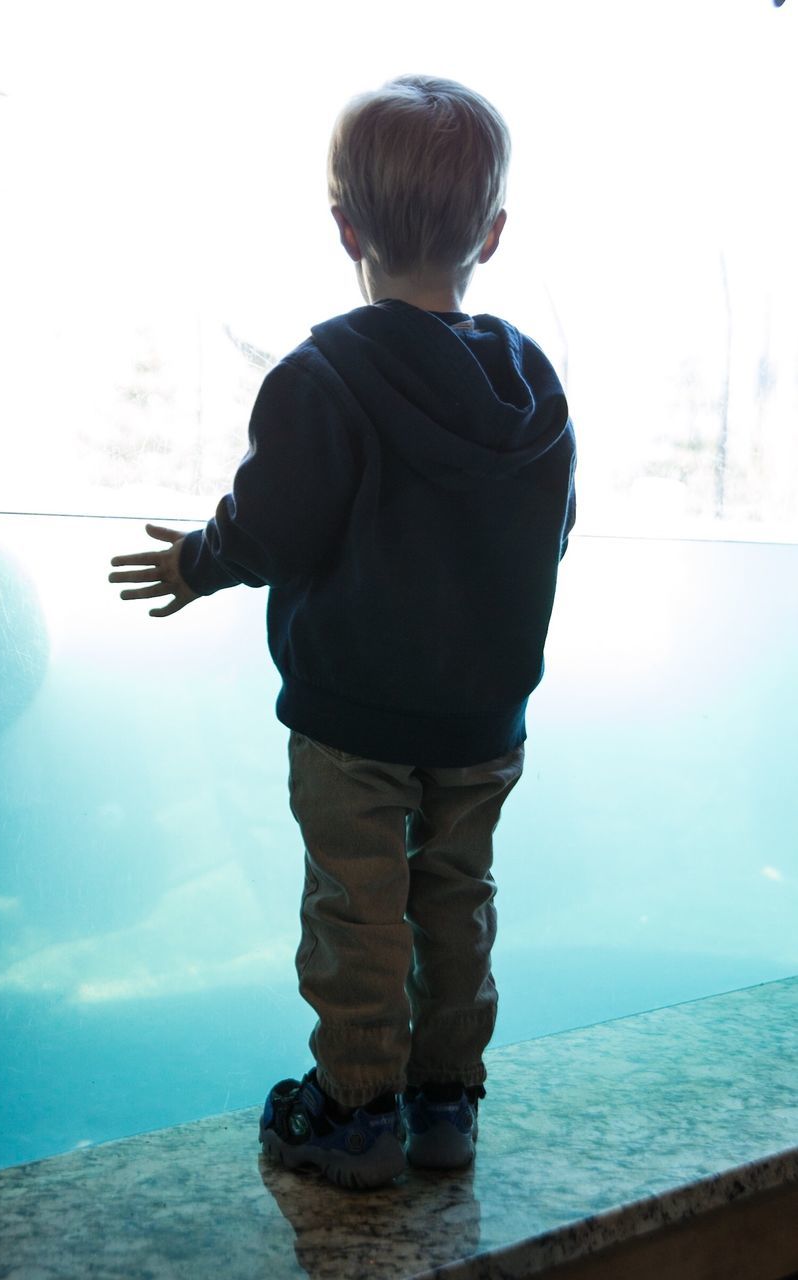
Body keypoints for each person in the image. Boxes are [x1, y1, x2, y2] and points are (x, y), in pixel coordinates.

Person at [109, 74, 576, 1191]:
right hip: (482, 721)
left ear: (343, 229)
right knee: (455, 900)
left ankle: (354, 1111)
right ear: (493, 235)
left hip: (353, 721)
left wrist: (194, 560)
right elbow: (548, 535)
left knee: (354, 908)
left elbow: (271, 525)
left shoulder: (323, 374)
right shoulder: (536, 388)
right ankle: (443, 1104)